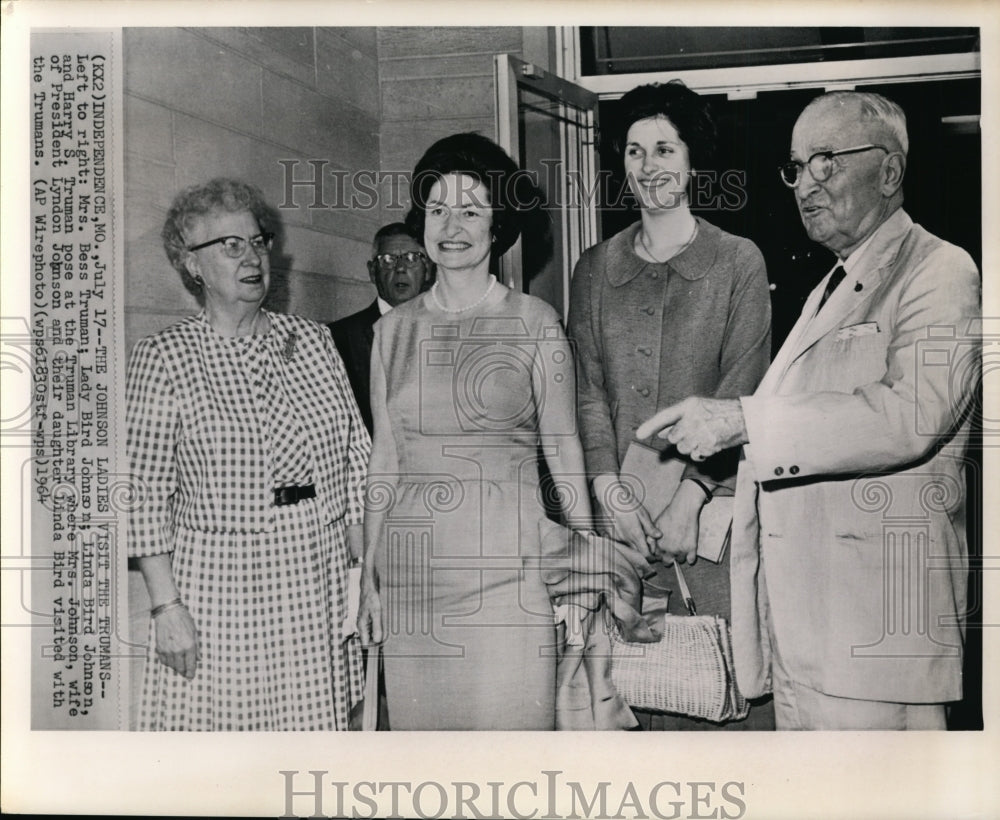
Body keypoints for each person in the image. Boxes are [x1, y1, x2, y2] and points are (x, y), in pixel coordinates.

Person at [636, 90, 980, 730]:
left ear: (889, 171)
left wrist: (743, 421)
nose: (805, 184)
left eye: (826, 161)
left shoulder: (941, 270)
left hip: (877, 633)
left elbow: (911, 415)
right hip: (805, 634)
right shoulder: (828, 284)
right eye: (796, 167)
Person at [357, 133, 593, 730]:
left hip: (509, 584)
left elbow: (563, 447)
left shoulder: (535, 322)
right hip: (412, 588)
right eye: (437, 210)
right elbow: (385, 459)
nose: (451, 225)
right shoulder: (393, 333)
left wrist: (587, 560)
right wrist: (368, 579)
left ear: (498, 224)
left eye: (470, 210)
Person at [126, 178, 370, 730]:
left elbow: (357, 454)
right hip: (222, 585)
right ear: (192, 265)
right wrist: (166, 608)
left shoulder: (311, 340)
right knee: (227, 753)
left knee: (312, 744)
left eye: (257, 241)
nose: (253, 256)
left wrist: (362, 573)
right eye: (230, 245)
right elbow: (142, 498)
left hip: (316, 572)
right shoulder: (166, 357)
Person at [567, 81, 773, 729]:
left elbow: (746, 391)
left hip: (705, 527)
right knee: (632, 698)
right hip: (620, 526)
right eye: (634, 150)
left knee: (708, 693)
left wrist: (692, 495)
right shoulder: (594, 269)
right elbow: (587, 391)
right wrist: (606, 488)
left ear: (691, 161)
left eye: (664, 148)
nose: (648, 165)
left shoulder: (738, 262)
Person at [328, 222, 433, 432]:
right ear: (372, 271)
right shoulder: (337, 339)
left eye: (412, 258)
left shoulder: (448, 333)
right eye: (387, 260)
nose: (401, 268)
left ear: (428, 269)